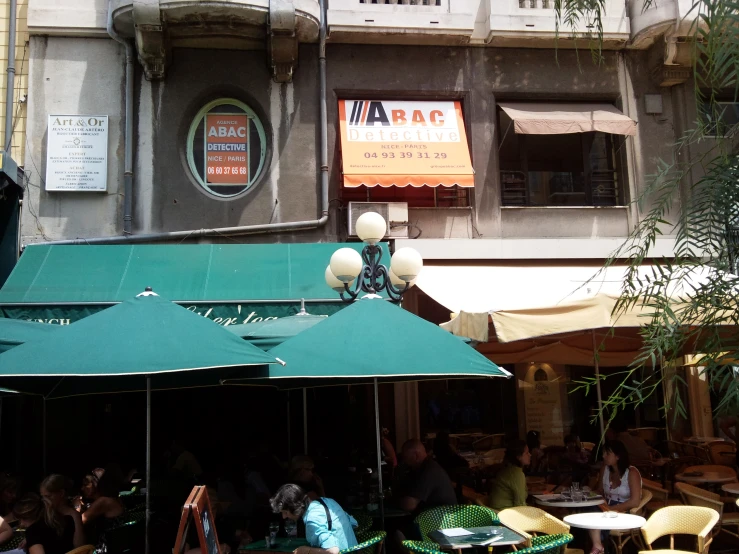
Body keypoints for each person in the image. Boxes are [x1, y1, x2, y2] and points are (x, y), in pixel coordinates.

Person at [588, 440, 643, 554]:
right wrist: (589, 494)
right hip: (606, 506)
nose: (603, 456)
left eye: (607, 453)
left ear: (618, 456)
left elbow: (635, 501)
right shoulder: (605, 469)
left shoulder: (631, 472)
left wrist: (611, 509)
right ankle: (598, 545)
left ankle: (598, 546)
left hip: (625, 510)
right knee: (588, 510)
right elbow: (600, 491)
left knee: (594, 514)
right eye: (603, 453)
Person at [270, 484, 357, 554]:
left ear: (296, 507)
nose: (284, 517)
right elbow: (354, 523)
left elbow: (332, 551)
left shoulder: (312, 519)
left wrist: (306, 550)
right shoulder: (329, 502)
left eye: (285, 512)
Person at [396, 439, 457, 514]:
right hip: (436, 517)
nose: (404, 461)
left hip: (443, 520)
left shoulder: (428, 470)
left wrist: (396, 501)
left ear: (416, 456)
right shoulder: (426, 467)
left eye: (405, 457)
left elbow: (410, 505)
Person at [80, 467, 125, 549]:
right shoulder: (111, 498)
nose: (82, 488)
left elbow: (79, 521)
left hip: (107, 548)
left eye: (86, 484)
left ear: (96, 484)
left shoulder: (104, 501)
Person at [40, 475, 85, 548]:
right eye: (43, 497)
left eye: (48, 496)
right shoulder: (43, 513)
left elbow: (79, 545)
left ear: (61, 493)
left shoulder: (73, 515)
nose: (45, 500)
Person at [488, 440, 530, 511]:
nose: (530, 455)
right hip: (505, 515)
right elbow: (520, 505)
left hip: (499, 511)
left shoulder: (509, 469)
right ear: (518, 457)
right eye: (527, 453)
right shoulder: (516, 474)